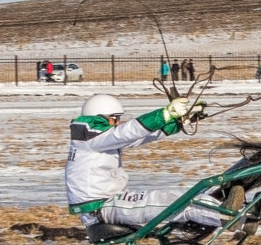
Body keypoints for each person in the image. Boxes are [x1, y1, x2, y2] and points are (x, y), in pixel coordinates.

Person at [65, 93, 222, 232]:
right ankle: (229, 216)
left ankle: (225, 210)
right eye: (115, 119)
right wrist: (165, 114)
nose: (118, 123)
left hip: (107, 205)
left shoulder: (96, 140)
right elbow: (127, 132)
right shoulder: (92, 138)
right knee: (179, 204)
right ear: (100, 117)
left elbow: (142, 136)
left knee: (176, 198)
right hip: (101, 208)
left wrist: (180, 122)